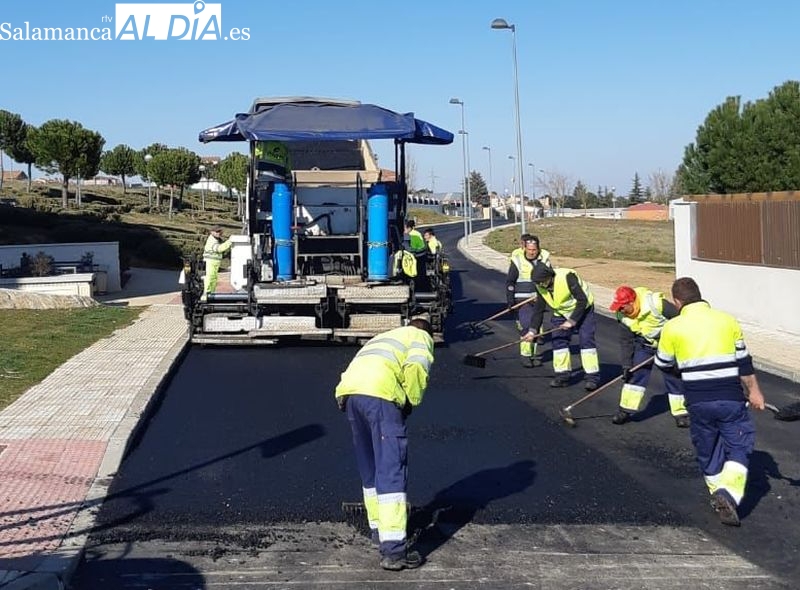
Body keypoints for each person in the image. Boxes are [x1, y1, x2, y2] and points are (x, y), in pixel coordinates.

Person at [654, 277, 765, 527]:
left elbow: (662, 363)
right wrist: (755, 392)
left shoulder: (673, 327)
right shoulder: (727, 320)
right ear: (700, 296)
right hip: (730, 399)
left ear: (677, 301)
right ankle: (727, 496)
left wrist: (683, 373)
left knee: (708, 449)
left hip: (697, 402)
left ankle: (718, 495)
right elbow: (744, 363)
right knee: (739, 446)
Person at [335, 318, 435, 571]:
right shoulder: (419, 336)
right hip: (380, 395)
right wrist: (410, 401)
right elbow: (416, 368)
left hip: (351, 395)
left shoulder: (385, 337)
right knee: (391, 467)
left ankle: (379, 531)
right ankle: (394, 552)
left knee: (369, 467)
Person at [609, 285, 690, 428]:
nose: (620, 311)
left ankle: (681, 413)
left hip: (668, 345)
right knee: (635, 374)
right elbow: (626, 341)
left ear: (632, 302)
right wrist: (626, 365)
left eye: (622, 307)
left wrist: (678, 349)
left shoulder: (655, 303)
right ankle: (625, 411)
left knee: (673, 376)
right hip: (645, 345)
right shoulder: (622, 316)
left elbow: (680, 321)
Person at [529, 263, 600, 389]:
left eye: (542, 282)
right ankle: (562, 375)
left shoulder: (567, 277)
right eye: (538, 283)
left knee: (586, 341)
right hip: (561, 312)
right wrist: (532, 330)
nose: (540, 285)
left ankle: (592, 377)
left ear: (550, 277)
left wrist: (572, 321)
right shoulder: (540, 286)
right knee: (558, 340)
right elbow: (539, 310)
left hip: (583, 310)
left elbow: (582, 300)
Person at [505, 234, 552, 368]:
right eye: (529, 249)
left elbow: (550, 278)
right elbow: (510, 281)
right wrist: (510, 301)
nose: (532, 252)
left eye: (534, 250)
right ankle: (525, 355)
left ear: (538, 249)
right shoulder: (517, 260)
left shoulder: (545, 260)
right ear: (525, 248)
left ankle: (534, 354)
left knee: (535, 327)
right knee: (527, 326)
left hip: (539, 300)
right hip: (522, 300)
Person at [202, 226, 232, 300]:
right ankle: (206, 294)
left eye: (220, 231)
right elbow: (219, 249)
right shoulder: (212, 240)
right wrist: (229, 241)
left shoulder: (216, 239)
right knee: (210, 278)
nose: (219, 233)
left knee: (213, 278)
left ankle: (211, 294)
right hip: (210, 262)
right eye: (217, 232)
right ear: (212, 232)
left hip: (214, 262)